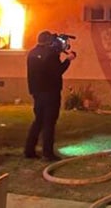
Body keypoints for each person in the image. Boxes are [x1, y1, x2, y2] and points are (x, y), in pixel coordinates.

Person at [24, 30, 76, 161]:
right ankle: (47, 153)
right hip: (50, 93)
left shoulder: (32, 53)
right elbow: (58, 71)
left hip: (37, 92)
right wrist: (68, 60)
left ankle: (29, 150)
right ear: (49, 41)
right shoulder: (51, 55)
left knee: (38, 121)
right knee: (49, 123)